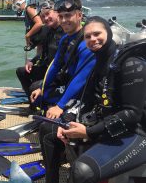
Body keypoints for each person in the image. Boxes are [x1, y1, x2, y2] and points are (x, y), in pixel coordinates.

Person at [39, 16, 146, 183]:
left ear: (109, 33)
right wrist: (66, 120)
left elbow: (132, 115)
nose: (92, 39)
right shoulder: (99, 62)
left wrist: (89, 132)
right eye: (87, 36)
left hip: (137, 133)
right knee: (48, 129)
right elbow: (86, 99)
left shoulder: (130, 64)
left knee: (82, 170)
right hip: (107, 123)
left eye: (97, 34)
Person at [30, 0, 95, 119]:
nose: (64, 20)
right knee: (38, 95)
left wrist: (60, 106)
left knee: (49, 128)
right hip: (67, 82)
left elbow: (81, 79)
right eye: (61, 16)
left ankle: (54, 119)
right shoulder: (65, 39)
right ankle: (47, 113)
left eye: (68, 15)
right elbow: (55, 66)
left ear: (79, 15)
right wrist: (41, 88)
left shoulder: (86, 43)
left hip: (83, 92)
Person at [16, 0, 64, 102]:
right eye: (43, 16)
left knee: (34, 86)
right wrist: (32, 62)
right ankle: (33, 101)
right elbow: (43, 52)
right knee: (21, 71)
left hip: (59, 75)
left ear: (56, 12)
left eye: (48, 14)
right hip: (46, 69)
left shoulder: (65, 31)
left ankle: (38, 103)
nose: (46, 18)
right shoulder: (47, 30)